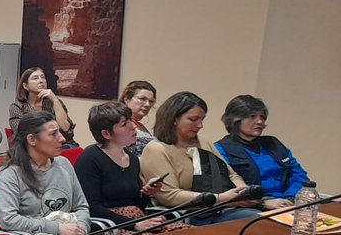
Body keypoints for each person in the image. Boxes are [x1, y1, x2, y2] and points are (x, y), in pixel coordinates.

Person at [139, 92, 264, 225]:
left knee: (266, 220)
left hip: (220, 207)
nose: (200, 125)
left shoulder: (203, 142)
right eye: (194, 119)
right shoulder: (157, 149)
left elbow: (231, 175)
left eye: (202, 120)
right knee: (256, 222)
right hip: (189, 214)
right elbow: (169, 196)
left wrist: (243, 191)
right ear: (174, 119)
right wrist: (220, 198)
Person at [0, 111, 98, 235]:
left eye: (59, 132)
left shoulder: (64, 164)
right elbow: (9, 220)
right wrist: (57, 228)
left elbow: (81, 207)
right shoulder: (10, 174)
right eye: (53, 134)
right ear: (32, 140)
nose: (62, 139)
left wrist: (80, 230)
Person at [73, 102, 178, 231]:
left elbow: (137, 203)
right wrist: (134, 225)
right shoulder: (90, 158)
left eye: (130, 120)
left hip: (136, 218)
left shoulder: (132, 158)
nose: (133, 126)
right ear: (106, 134)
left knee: (185, 233)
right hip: (110, 225)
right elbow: (92, 207)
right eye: (124, 124)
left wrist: (146, 193)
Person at [214, 94, 309, 208]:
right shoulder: (221, 149)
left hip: (287, 201)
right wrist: (262, 203)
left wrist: (291, 198)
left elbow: (298, 174)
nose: (259, 121)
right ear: (235, 120)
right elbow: (226, 189)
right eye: (252, 116)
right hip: (250, 205)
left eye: (262, 117)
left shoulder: (274, 144)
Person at [8, 67, 76, 146]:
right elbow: (21, 134)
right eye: (35, 78)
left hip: (60, 145)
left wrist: (55, 100)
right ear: (25, 86)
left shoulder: (54, 103)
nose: (41, 81)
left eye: (43, 77)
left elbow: (66, 128)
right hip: (30, 148)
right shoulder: (17, 106)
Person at [120, 80, 158, 159]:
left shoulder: (141, 126)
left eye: (151, 101)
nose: (147, 104)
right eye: (142, 99)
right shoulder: (119, 123)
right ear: (127, 99)